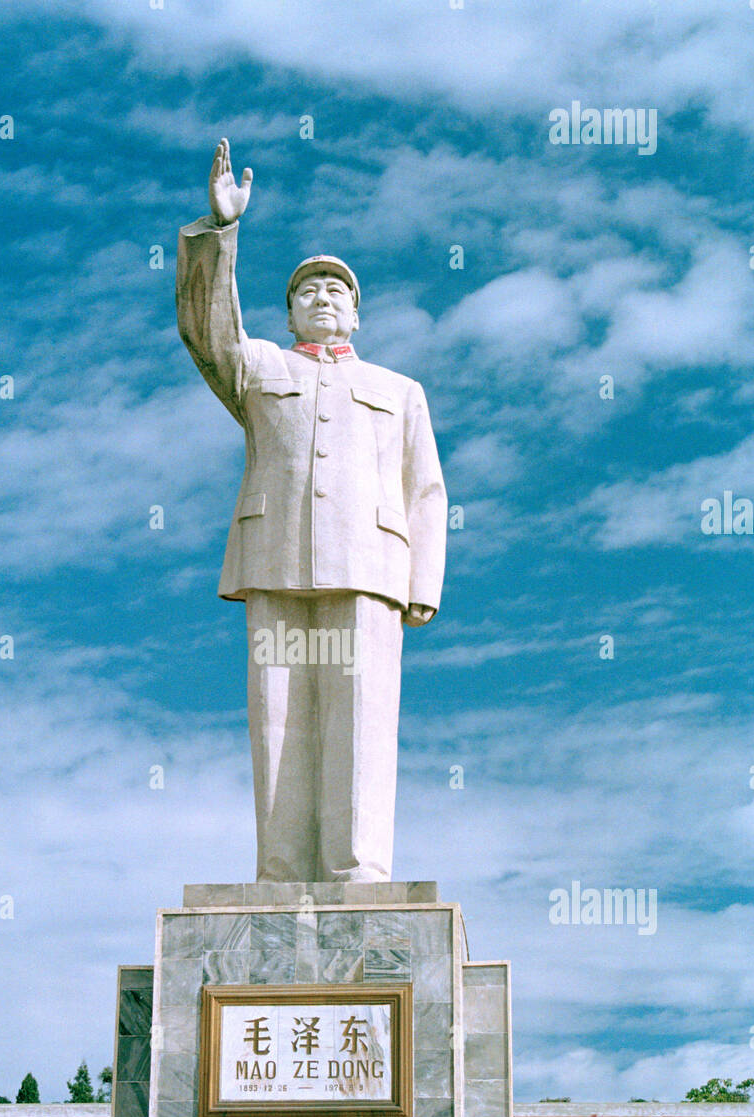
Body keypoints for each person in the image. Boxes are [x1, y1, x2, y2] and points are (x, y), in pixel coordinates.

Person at [177, 139, 447, 883]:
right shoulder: (260, 366)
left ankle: (358, 868)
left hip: (370, 564)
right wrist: (221, 231)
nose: (322, 298)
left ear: (356, 314)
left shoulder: (399, 390)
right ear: (290, 310)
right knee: (279, 715)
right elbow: (207, 331)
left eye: (336, 292)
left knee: (361, 715)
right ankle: (282, 866)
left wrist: (421, 581)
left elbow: (425, 488)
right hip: (275, 557)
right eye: (307, 292)